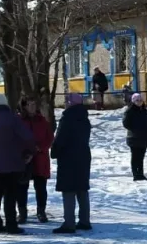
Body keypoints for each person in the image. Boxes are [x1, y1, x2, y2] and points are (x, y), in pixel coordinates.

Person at [0, 92, 35, 234]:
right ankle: (11, 224)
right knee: (11, 195)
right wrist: (29, 153)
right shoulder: (14, 119)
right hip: (14, 163)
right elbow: (28, 137)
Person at [52, 93, 92, 234]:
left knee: (68, 189)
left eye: (67, 101)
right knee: (82, 188)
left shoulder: (67, 117)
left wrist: (54, 151)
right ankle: (84, 220)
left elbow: (60, 138)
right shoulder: (84, 117)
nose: (65, 103)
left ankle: (69, 223)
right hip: (83, 155)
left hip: (68, 157)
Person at [18, 97, 54, 223]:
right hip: (24, 158)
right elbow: (15, 138)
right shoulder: (19, 120)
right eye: (29, 104)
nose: (32, 107)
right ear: (24, 106)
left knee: (40, 186)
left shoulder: (42, 120)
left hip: (40, 157)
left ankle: (41, 211)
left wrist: (40, 148)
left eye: (34, 104)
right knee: (22, 186)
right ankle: (22, 213)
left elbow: (49, 138)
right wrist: (25, 151)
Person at [122, 93, 147, 181]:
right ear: (133, 101)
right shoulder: (130, 111)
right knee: (135, 156)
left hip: (144, 137)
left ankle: (141, 174)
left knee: (141, 157)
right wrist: (136, 129)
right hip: (134, 138)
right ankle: (136, 174)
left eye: (140, 100)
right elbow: (126, 123)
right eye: (137, 100)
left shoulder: (144, 110)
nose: (139, 102)